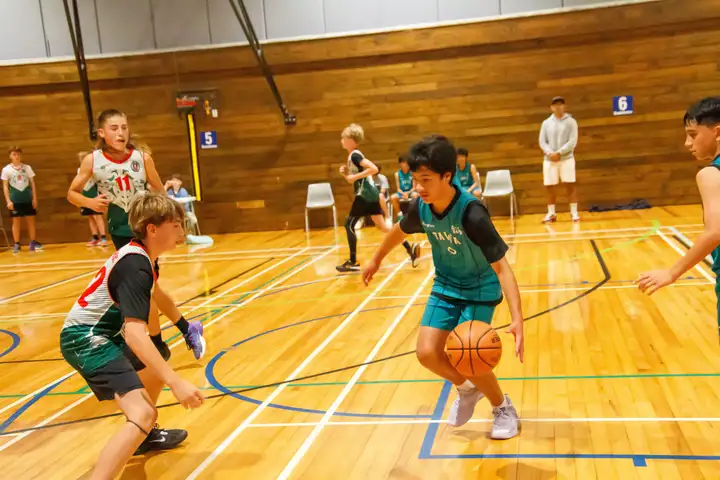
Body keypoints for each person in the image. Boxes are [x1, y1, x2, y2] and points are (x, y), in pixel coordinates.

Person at [362, 135, 524, 439]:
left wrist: (518, 318)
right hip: (446, 285)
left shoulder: (472, 213)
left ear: (447, 176)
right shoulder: (420, 208)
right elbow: (398, 232)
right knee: (426, 353)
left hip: (479, 289)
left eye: (426, 179)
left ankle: (503, 407)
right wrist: (375, 259)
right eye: (415, 179)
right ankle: (467, 390)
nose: (418, 187)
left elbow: (502, 267)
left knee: (470, 355)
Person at [60, 193, 204, 478]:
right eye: (176, 225)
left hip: (102, 335)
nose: (182, 231)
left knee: (155, 362)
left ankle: (144, 436)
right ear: (152, 228)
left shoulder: (142, 257)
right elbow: (135, 334)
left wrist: (183, 325)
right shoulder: (136, 266)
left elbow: (154, 301)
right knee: (144, 414)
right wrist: (176, 383)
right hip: (87, 339)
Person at [67, 109, 206, 361]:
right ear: (101, 133)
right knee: (149, 289)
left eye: (124, 127)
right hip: (119, 231)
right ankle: (181, 331)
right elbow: (71, 193)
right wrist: (89, 201)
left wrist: (175, 224)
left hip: (145, 231)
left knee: (147, 289)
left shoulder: (142, 159)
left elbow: (161, 194)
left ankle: (160, 344)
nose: (121, 132)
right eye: (114, 128)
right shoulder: (93, 160)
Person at [636, 97, 720, 333]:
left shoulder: (711, 174)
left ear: (717, 132)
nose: (686, 143)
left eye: (693, 135)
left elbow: (715, 231)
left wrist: (671, 272)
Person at [336, 123, 420, 272]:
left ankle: (353, 261)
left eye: (344, 137)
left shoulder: (355, 154)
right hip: (369, 193)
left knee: (349, 224)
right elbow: (352, 179)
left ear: (351, 139)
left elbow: (373, 169)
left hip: (365, 194)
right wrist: (345, 174)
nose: (342, 140)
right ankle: (409, 248)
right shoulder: (352, 156)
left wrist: (353, 176)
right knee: (383, 226)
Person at [539, 96, 580, 223]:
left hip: (566, 159)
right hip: (549, 160)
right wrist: (550, 153)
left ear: (565, 106)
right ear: (551, 107)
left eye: (560, 104)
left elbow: (572, 141)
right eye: (555, 105)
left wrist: (559, 153)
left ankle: (574, 213)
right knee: (550, 186)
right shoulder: (546, 123)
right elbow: (542, 141)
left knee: (570, 185)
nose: (558, 107)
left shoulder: (571, 122)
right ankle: (551, 213)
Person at [2, 146, 43, 253]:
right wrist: (8, 201)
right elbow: (5, 186)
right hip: (15, 199)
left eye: (18, 154)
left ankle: (33, 242)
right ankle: (17, 243)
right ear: (10, 156)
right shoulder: (6, 170)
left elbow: (32, 183)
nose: (16, 156)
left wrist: (34, 198)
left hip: (27, 198)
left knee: (31, 220)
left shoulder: (27, 168)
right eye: (14, 154)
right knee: (16, 222)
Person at [77, 151, 108, 247]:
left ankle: (103, 237)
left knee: (97, 216)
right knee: (90, 216)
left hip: (94, 194)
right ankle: (95, 237)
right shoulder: (79, 170)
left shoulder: (95, 169)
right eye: (80, 159)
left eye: (83, 158)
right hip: (85, 194)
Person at [392, 154, 418, 221]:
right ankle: (399, 215)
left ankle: (415, 214)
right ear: (400, 163)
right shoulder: (397, 174)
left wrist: (407, 193)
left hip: (411, 191)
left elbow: (414, 187)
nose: (405, 164)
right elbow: (398, 188)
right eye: (403, 162)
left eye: (407, 163)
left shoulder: (412, 173)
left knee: (415, 195)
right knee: (393, 197)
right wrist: (403, 194)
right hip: (401, 192)